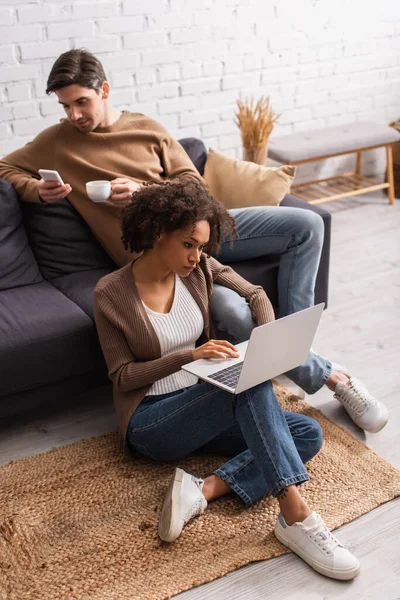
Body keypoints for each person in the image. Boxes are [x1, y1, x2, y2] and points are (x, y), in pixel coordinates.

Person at [0, 49, 388, 433]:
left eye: (81, 102)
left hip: (201, 230)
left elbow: (194, 186)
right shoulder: (56, 141)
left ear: (104, 90)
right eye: (65, 106)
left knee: (308, 225)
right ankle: (333, 377)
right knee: (233, 314)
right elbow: (6, 166)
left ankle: (295, 346)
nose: (74, 115)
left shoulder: (146, 129)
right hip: (168, 260)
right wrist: (37, 189)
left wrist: (143, 192)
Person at [93, 178, 360, 580]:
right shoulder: (111, 293)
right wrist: (190, 356)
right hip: (152, 423)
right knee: (248, 385)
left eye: (201, 246)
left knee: (306, 433)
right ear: (158, 233)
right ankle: (296, 515)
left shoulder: (197, 268)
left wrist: (267, 340)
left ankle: (201, 490)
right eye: (188, 244)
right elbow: (123, 376)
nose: (196, 255)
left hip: (203, 403)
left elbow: (254, 294)